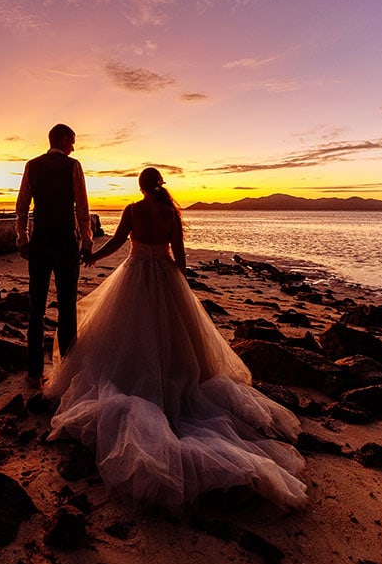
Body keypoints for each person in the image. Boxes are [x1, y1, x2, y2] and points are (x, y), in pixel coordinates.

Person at [44, 167, 306, 513]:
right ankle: (172, 384)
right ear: (160, 185)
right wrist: (180, 289)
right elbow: (180, 258)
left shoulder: (133, 210)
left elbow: (119, 242)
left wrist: (94, 256)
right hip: (165, 277)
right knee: (171, 340)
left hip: (135, 275)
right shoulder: (170, 213)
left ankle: (135, 380)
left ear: (140, 186)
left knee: (127, 338)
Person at [15, 123, 92, 388]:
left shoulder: (32, 165)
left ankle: (34, 372)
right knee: (66, 305)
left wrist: (23, 238)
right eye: (72, 141)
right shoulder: (73, 166)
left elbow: (22, 205)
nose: (74, 146)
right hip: (64, 242)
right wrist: (87, 240)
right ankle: (67, 373)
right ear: (64, 139)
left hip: (40, 241)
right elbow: (82, 206)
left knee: (35, 307)